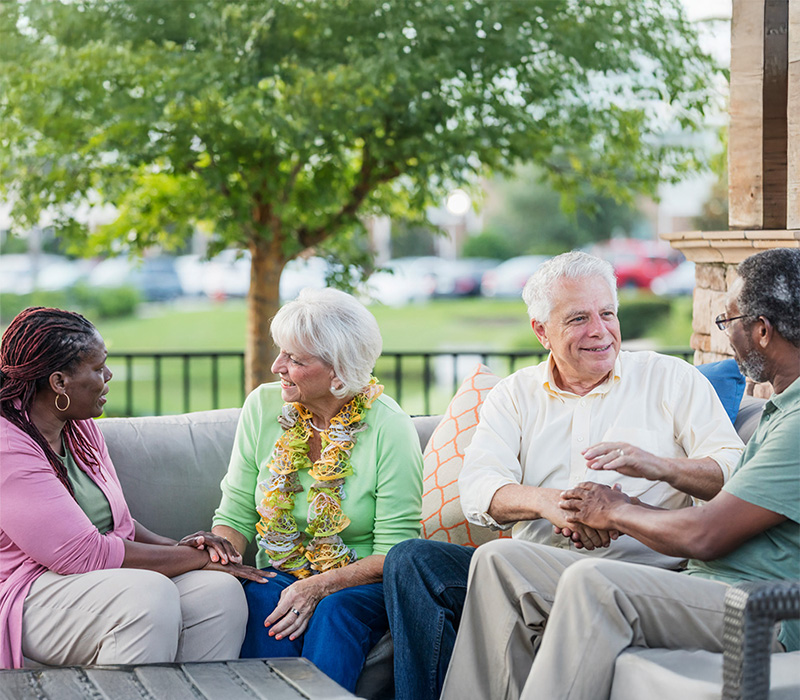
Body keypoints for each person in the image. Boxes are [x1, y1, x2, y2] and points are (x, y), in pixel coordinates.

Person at [440, 247, 800, 700]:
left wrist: (623, 502)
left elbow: (712, 520)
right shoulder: (781, 411)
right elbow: (475, 489)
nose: (599, 330)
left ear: (762, 331)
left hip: (732, 594)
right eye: (577, 319)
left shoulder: (685, 383)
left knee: (591, 583)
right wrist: (557, 505)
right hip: (704, 584)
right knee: (493, 560)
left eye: (607, 313)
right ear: (541, 331)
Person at [0, 307, 269, 670]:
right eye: (97, 368)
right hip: (26, 591)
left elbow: (120, 525)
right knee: (147, 595)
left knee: (218, 592)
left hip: (96, 583)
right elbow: (82, 554)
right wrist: (197, 559)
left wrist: (183, 546)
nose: (108, 375)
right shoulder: (8, 445)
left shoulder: (80, 429)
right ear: (59, 382)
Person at [211, 287, 423, 693]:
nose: (277, 366)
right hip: (279, 570)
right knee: (261, 598)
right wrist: (221, 554)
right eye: (280, 352)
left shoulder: (389, 426)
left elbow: (394, 551)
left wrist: (317, 586)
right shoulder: (262, 407)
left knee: (334, 611)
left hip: (361, 584)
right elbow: (236, 511)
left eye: (295, 359)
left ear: (339, 371)